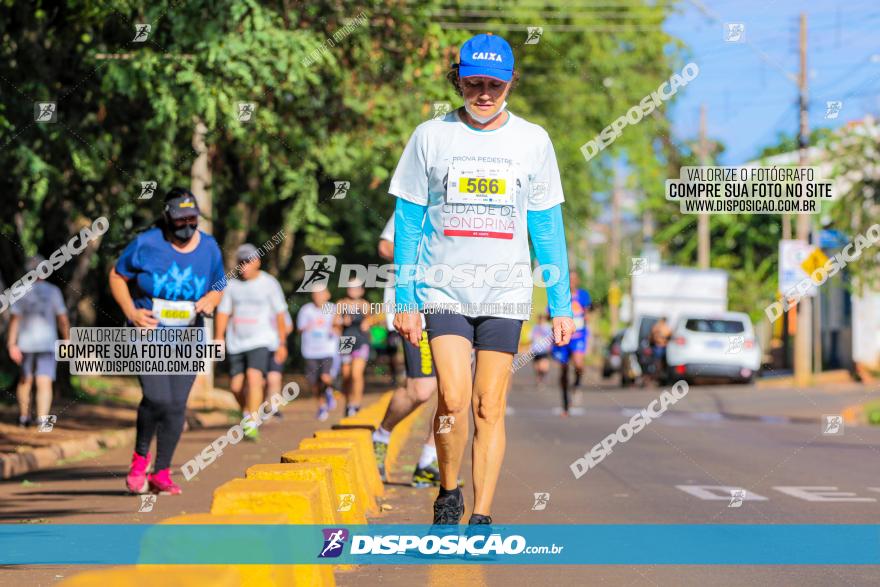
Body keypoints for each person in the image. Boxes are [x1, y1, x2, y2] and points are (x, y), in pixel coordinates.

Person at [390, 33, 574, 525]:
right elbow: (407, 222)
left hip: (505, 291)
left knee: (489, 404)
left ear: (511, 81)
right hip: (443, 287)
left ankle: (483, 513)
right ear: (459, 81)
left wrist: (561, 304)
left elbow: (547, 228)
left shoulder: (532, 140)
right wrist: (404, 297)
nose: (485, 93)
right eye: (473, 83)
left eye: (495, 83)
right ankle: (449, 490)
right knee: (451, 395)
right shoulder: (431, 136)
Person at [110, 187, 225, 495]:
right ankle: (139, 459)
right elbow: (117, 276)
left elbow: (219, 283)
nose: (187, 226)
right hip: (149, 334)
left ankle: (161, 472)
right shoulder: (147, 243)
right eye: (180, 220)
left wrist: (212, 299)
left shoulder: (210, 248)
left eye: (192, 219)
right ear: (167, 218)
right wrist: (131, 311)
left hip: (188, 337)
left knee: (176, 406)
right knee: (158, 398)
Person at [372, 215, 444, 488]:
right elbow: (385, 246)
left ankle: (429, 461)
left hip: (458, 308)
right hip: (417, 310)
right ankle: (381, 435)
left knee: (454, 391)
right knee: (421, 389)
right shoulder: (417, 202)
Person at [214, 244, 288, 441]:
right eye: (240, 263)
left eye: (248, 262)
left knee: (254, 377)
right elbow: (223, 312)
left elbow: (280, 314)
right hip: (237, 342)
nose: (244, 267)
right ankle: (248, 413)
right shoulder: (231, 285)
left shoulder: (269, 283)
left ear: (257, 262)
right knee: (236, 387)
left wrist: (282, 343)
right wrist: (218, 338)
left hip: (261, 340)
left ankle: (252, 421)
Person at [7, 255, 70, 428]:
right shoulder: (54, 291)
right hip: (48, 343)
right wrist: (67, 340)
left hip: (25, 343)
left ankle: (23, 418)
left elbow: (15, 320)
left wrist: (11, 343)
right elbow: (63, 319)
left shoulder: (20, 290)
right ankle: (44, 424)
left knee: (25, 380)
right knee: (45, 382)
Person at [550, 273, 592, 416]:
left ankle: (577, 386)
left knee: (579, 364)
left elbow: (587, 313)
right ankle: (565, 404)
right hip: (563, 337)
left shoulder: (583, 295)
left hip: (578, 336)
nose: (572, 282)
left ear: (577, 281)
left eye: (574, 279)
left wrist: (586, 319)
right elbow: (551, 315)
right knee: (564, 371)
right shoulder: (559, 296)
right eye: (570, 279)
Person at [296, 287, 339, 421]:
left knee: (325, 377)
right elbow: (299, 329)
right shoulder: (306, 310)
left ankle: (328, 392)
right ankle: (321, 406)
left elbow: (339, 327)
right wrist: (305, 328)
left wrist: (335, 328)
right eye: (315, 294)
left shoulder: (333, 308)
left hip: (328, 349)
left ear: (327, 295)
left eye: (321, 293)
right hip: (310, 351)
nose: (318, 296)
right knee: (314, 383)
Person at [336, 280, 374, 417]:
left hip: (361, 341)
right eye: (351, 288)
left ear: (361, 290)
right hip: (346, 341)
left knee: (356, 374)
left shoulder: (365, 304)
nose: (353, 291)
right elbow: (334, 322)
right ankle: (348, 403)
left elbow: (372, 320)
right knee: (346, 376)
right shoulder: (341, 304)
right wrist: (341, 321)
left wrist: (367, 322)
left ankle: (356, 404)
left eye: (356, 288)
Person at [265, 308, 293, 421]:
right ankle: (259, 408)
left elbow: (289, 327)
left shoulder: (279, 306)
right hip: (255, 347)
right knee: (260, 380)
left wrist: (280, 339)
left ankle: (273, 408)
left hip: (275, 347)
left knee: (274, 378)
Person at [529, 314, 552, 386]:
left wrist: (550, 347)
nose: (541, 321)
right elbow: (531, 338)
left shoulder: (548, 328)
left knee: (544, 368)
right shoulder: (535, 328)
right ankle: (539, 379)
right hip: (535, 350)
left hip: (545, 350)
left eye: (542, 319)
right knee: (537, 368)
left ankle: (542, 377)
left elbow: (552, 338)